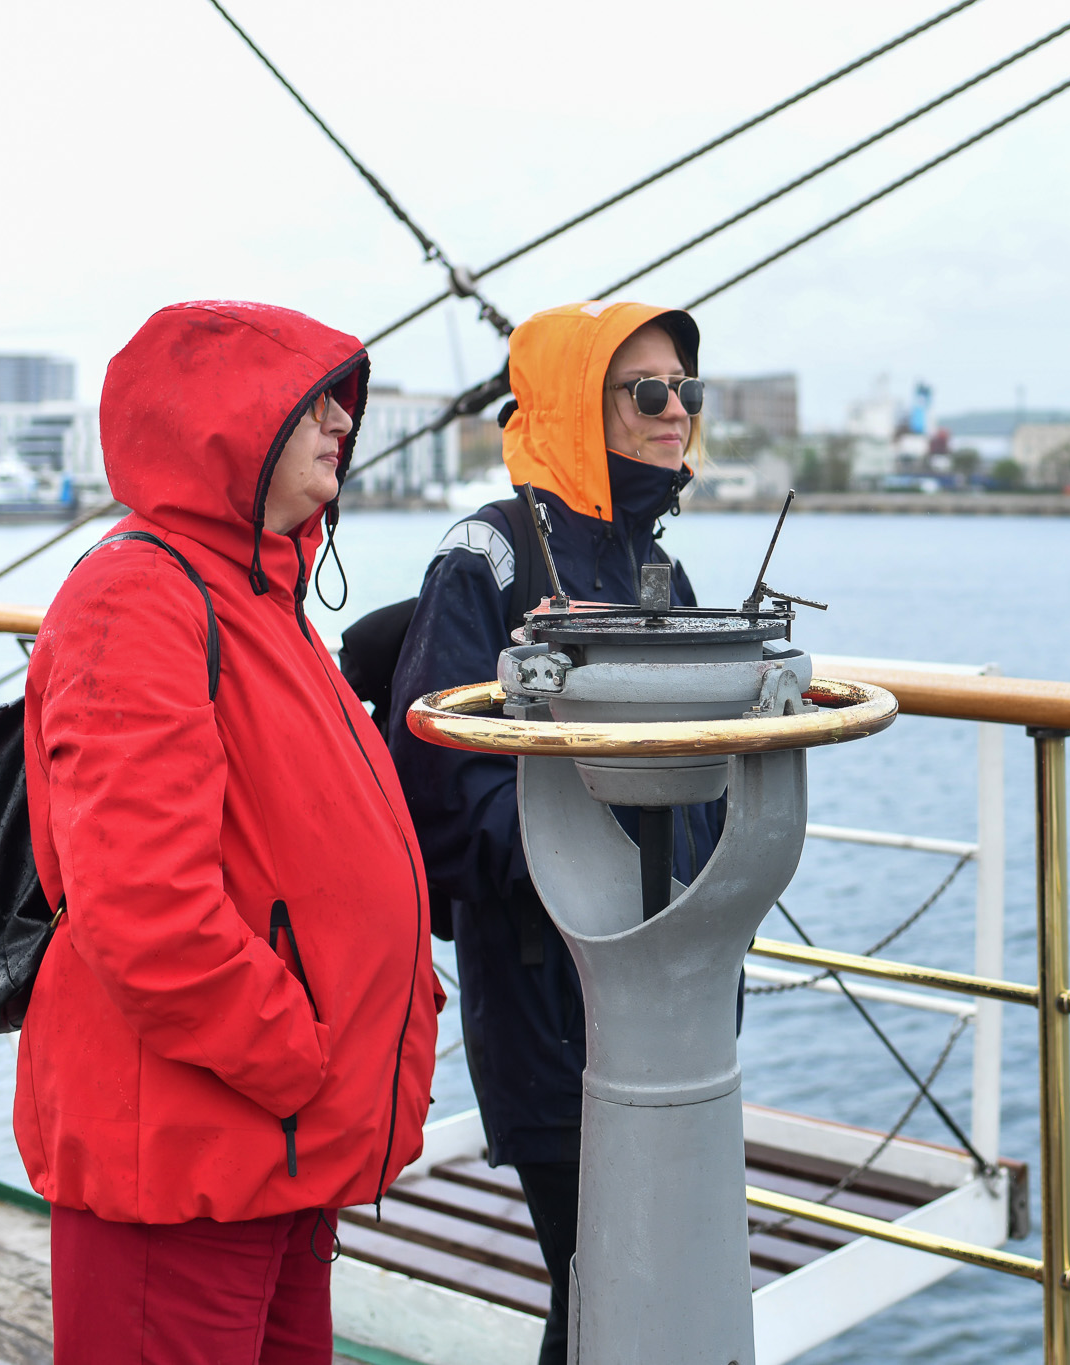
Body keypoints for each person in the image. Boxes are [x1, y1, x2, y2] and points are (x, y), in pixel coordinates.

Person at [20, 300, 443, 1363]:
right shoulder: (140, 599)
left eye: (342, 405)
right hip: (193, 1158)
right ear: (224, 421)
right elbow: (143, 910)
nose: (341, 424)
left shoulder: (259, 596)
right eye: (311, 405)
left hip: (273, 1151)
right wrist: (298, 1055)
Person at [384, 301, 724, 1365]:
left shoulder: (654, 567)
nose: (678, 413)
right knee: (603, 1286)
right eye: (649, 392)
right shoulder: (487, 559)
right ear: (581, 405)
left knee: (633, 1289)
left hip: (675, 989)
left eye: (687, 391)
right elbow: (437, 782)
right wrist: (594, 882)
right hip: (551, 991)